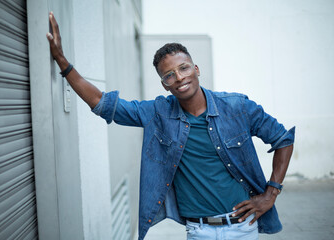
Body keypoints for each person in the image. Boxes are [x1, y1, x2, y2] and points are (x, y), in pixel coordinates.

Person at [46, 12, 295, 240]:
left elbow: (283, 139)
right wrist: (62, 62)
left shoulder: (237, 107)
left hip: (243, 228)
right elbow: (102, 103)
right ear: (164, 84)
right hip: (199, 231)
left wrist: (271, 194)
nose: (179, 77)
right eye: (169, 75)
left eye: (184, 68)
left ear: (196, 69)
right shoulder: (157, 113)